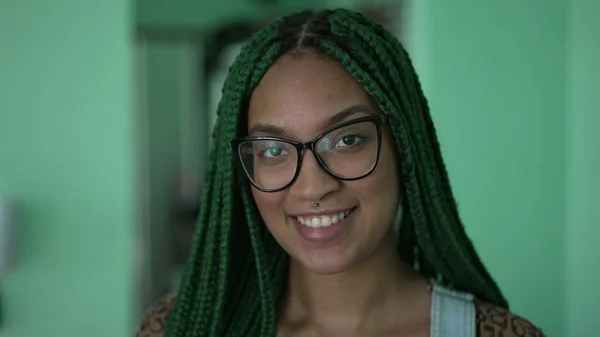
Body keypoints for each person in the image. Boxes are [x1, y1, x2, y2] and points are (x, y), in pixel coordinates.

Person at [136, 8, 545, 337]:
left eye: (347, 140)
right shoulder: (181, 327)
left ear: (402, 146)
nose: (313, 186)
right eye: (274, 149)